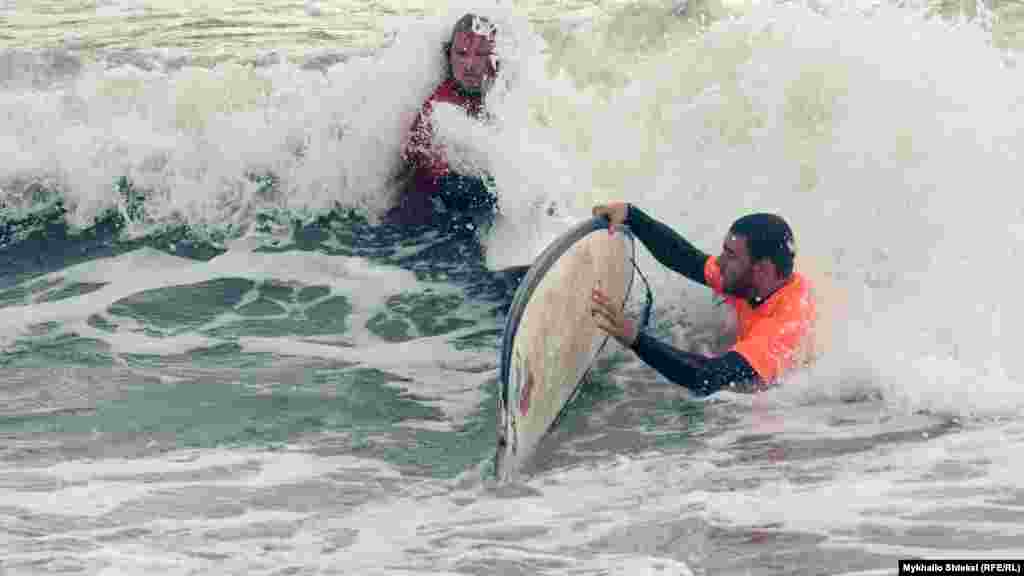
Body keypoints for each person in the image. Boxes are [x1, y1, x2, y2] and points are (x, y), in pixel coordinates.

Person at [589, 201, 817, 397]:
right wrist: (631, 215)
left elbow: (706, 378)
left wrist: (634, 338)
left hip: (782, 407)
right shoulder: (753, 281)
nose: (719, 262)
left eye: (731, 255)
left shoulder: (785, 326)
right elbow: (686, 259)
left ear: (762, 269)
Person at [385, 13, 500, 228]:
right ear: (449, 56)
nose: (470, 65)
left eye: (480, 54)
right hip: (425, 212)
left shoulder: (502, 94)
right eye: (461, 54)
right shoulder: (441, 108)